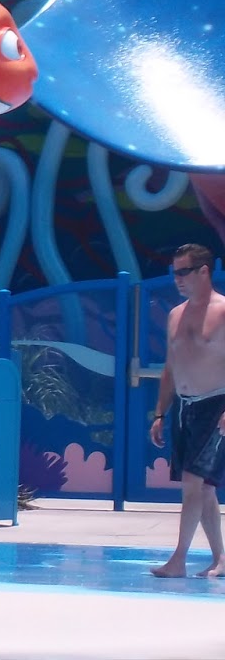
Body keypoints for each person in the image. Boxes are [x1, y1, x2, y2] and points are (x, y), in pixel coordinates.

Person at [149, 243, 225, 578]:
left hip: (216, 406)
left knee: (194, 484)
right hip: (184, 407)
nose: (177, 279)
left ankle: (178, 559)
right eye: (174, 273)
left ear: (204, 271)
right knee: (204, 488)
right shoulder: (175, 315)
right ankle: (221, 558)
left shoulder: (223, 311)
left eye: (184, 272)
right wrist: (160, 413)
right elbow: (171, 366)